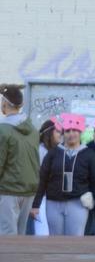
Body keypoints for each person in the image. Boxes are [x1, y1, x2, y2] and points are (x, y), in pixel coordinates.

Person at [31, 113, 95, 236]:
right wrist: (36, 205)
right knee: (55, 240)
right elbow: (43, 180)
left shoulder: (89, 155)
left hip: (77, 204)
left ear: (80, 132)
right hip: (53, 203)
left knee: (75, 241)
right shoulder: (53, 153)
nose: (71, 134)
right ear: (63, 133)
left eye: (75, 130)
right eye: (67, 131)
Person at [0, 84, 39, 235]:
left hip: (8, 190)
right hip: (29, 190)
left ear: (4, 103)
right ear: (20, 105)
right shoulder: (33, 130)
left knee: (6, 236)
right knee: (20, 236)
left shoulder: (2, 130)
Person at [28, 119, 60, 235]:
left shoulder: (55, 151)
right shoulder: (41, 151)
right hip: (41, 198)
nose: (60, 134)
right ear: (49, 133)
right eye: (57, 131)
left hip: (51, 197)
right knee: (42, 231)